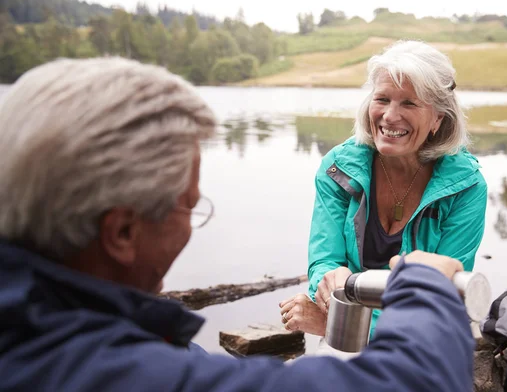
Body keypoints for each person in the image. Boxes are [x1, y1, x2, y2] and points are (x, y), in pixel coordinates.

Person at [0, 57, 474, 392]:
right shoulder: (114, 372)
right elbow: (415, 381)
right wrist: (428, 290)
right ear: (122, 233)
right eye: (189, 206)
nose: (390, 115)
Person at [279, 40, 488, 337]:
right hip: (346, 324)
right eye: (382, 99)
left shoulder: (466, 187)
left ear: (437, 119)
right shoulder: (337, 169)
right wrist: (328, 282)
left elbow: (440, 301)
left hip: (417, 345)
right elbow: (324, 260)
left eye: (409, 103)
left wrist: (335, 325)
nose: (389, 116)